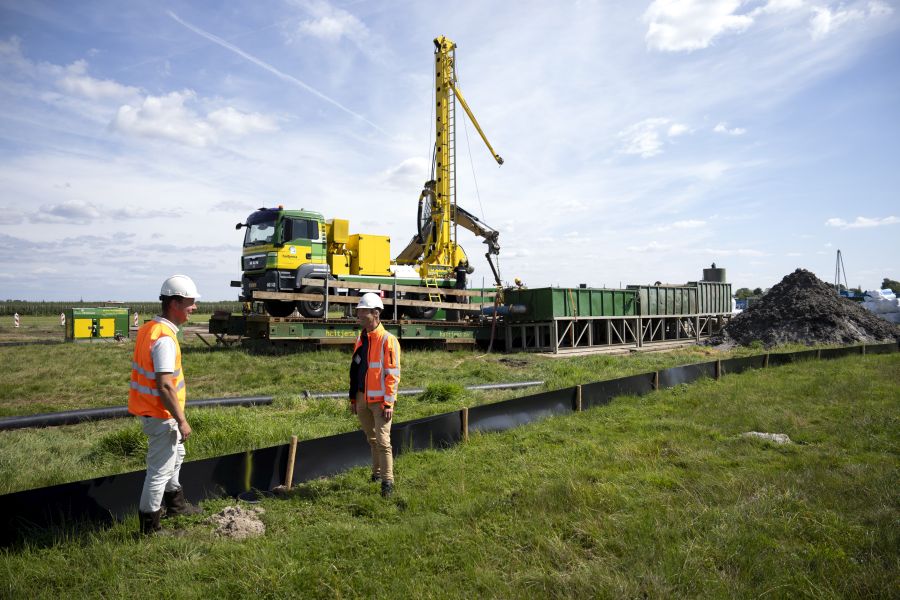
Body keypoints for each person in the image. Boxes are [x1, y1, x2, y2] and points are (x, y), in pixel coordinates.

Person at [128, 275, 203, 534]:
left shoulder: (150, 328)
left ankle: (176, 505)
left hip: (155, 411)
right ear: (175, 304)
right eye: (190, 303)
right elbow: (165, 385)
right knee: (159, 471)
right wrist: (181, 420)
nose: (194, 308)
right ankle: (150, 529)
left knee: (177, 456)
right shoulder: (164, 339)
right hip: (162, 415)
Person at [349, 292, 401, 498]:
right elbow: (355, 370)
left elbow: (393, 375)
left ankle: (388, 482)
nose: (359, 316)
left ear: (375, 313)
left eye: (363, 312)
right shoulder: (361, 338)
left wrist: (389, 402)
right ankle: (376, 474)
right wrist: (354, 398)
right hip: (362, 398)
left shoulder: (388, 340)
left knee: (383, 441)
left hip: (380, 402)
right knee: (371, 440)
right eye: (358, 312)